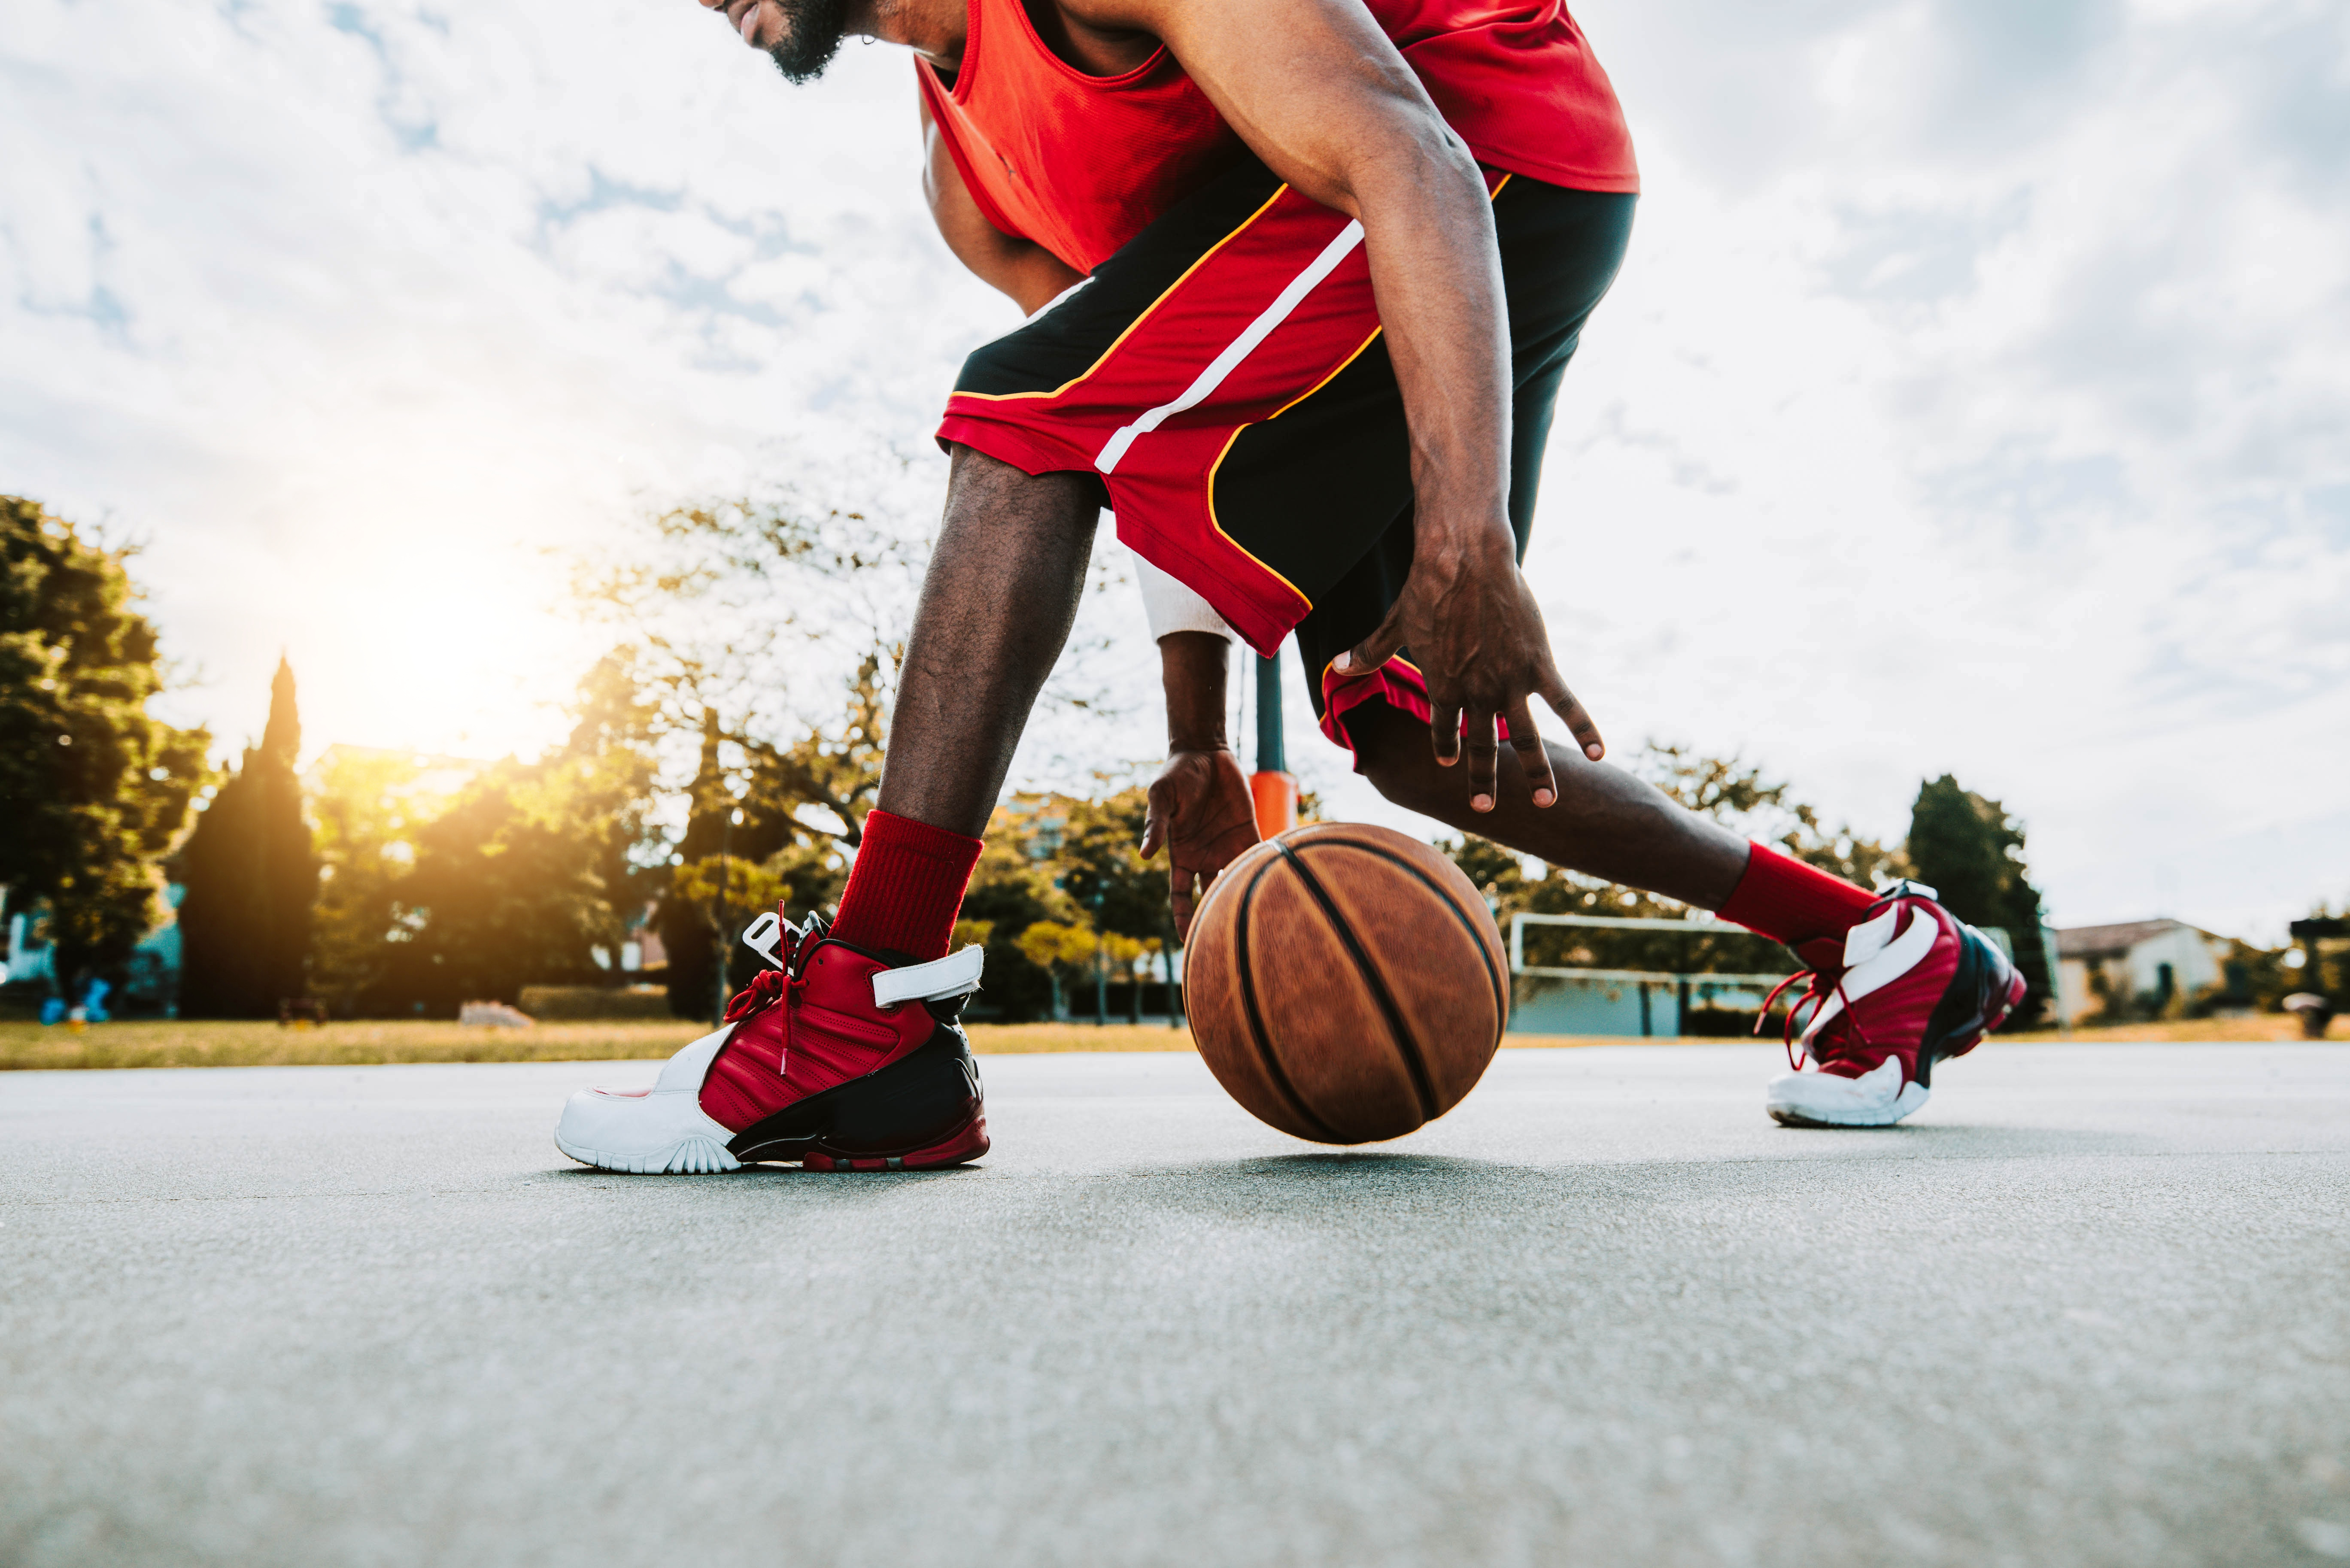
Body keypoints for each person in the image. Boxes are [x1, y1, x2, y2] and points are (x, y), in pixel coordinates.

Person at [552, 0, 2028, 1175]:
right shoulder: (964, 179)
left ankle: (865, 1006)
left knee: (1012, 411)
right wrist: (1196, 742)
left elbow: (1403, 154)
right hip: (1378, 217)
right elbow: (1145, 436)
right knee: (1411, 731)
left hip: (1482, 148)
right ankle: (1876, 944)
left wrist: (1466, 550)